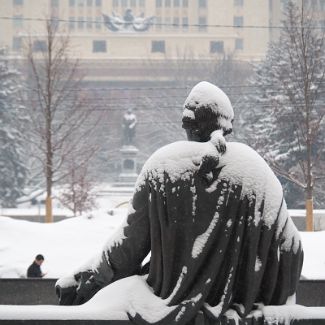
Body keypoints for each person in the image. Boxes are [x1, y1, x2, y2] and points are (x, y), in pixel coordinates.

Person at [56, 82, 303, 324]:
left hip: (164, 307)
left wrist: (85, 279)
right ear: (227, 127)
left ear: (189, 126)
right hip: (239, 311)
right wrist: (259, 293)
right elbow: (291, 248)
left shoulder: (162, 167)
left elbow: (128, 249)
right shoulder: (255, 171)